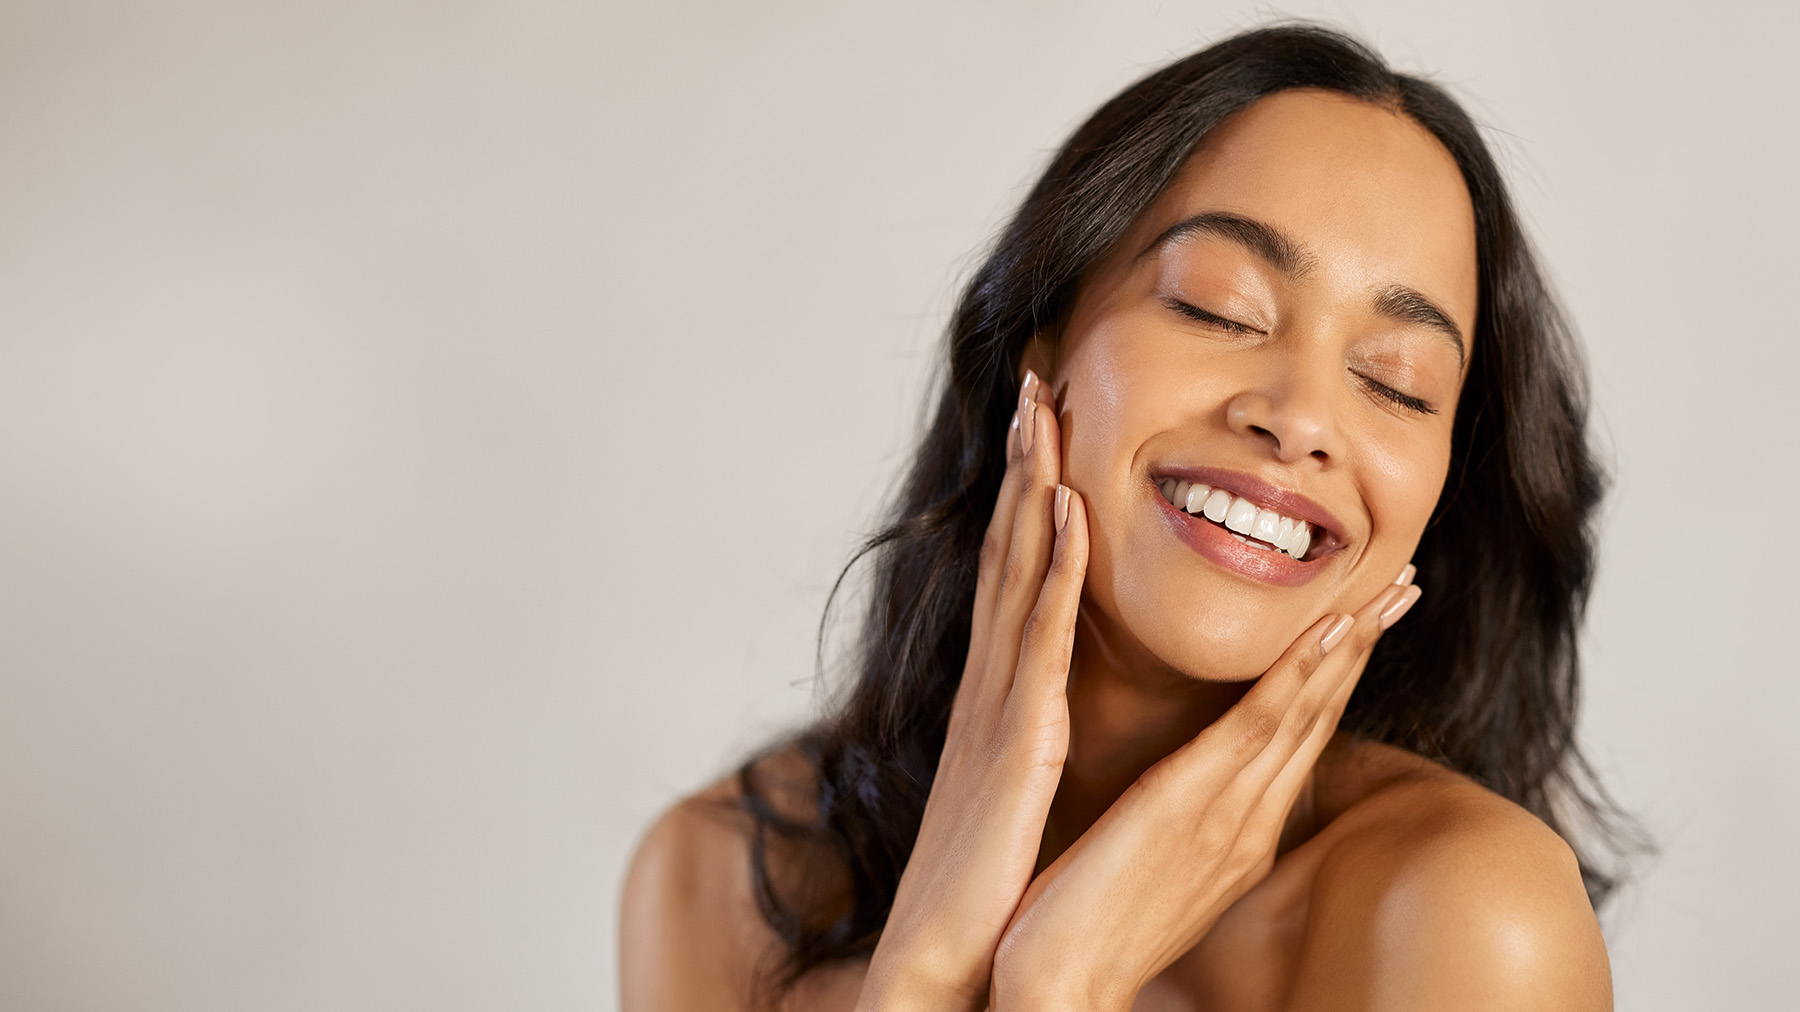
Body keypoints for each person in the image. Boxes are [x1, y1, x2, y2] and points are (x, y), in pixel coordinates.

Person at [621, 23, 1633, 1011]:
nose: (1300, 420)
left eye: (1397, 384)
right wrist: (924, 972)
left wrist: (1063, 984)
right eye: (1216, 307)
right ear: (1041, 350)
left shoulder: (1469, 916)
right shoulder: (723, 881)